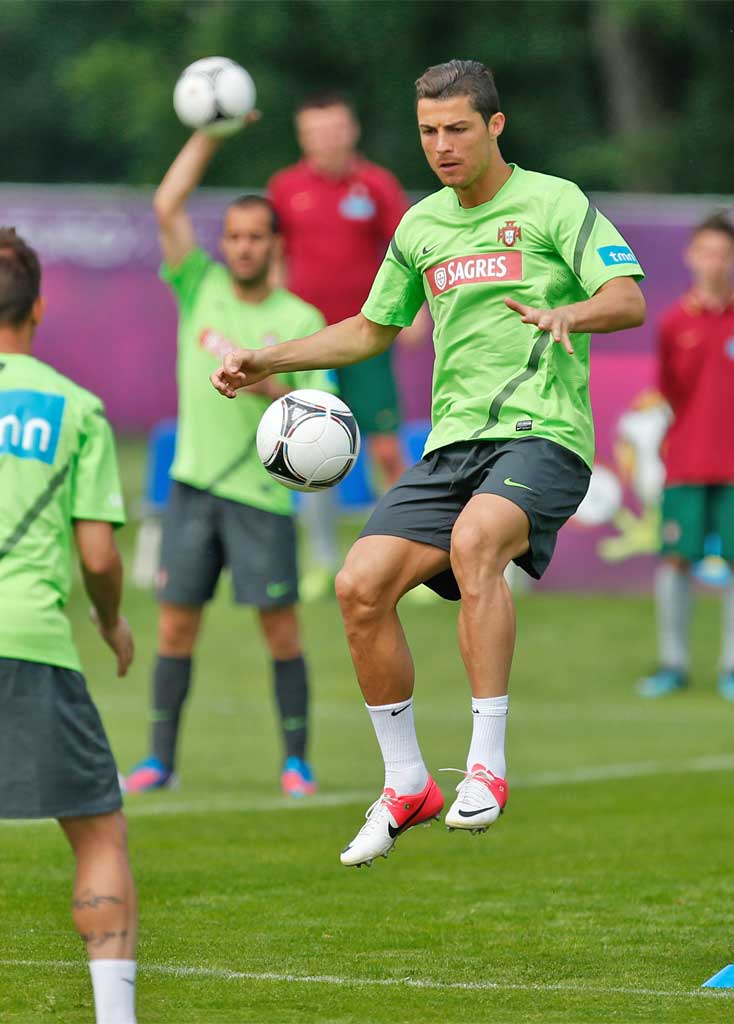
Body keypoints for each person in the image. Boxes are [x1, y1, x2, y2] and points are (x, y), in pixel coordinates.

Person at [211, 60, 646, 866]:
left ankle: (487, 763)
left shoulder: (554, 201)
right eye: (427, 131)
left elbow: (627, 298)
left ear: (495, 126)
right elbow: (372, 330)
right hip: (451, 448)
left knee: (480, 541)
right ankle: (407, 781)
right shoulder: (420, 227)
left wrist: (567, 313)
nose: (441, 147)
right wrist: (268, 361)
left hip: (542, 435)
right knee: (358, 585)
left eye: (456, 129)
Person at [122, 125, 333, 798]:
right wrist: (209, 133)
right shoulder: (198, 286)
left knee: (280, 630)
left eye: (256, 237)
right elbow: (166, 204)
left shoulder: (301, 317)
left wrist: (262, 376)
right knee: (176, 625)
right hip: (191, 488)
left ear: (275, 245)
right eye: (235, 235)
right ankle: (160, 760)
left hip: (261, 498)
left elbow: (320, 411)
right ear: (226, 245)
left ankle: (296, 762)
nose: (243, 246)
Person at [0, 228, 138, 1023]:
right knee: (97, 835)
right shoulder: (75, 409)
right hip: (31, 645)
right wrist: (112, 620)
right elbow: (97, 554)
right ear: (40, 307)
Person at [267, 93, 417, 599]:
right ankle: (322, 563)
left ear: (351, 130)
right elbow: (274, 261)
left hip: (367, 337)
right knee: (310, 445)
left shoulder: (375, 184)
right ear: (302, 136)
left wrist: (417, 311)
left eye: (333, 130)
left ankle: (409, 559)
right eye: (314, 132)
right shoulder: (285, 189)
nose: (325, 140)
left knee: (386, 448)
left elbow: (410, 251)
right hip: (309, 343)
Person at [638, 213, 734, 702]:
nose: (713, 263)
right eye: (705, 252)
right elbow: (669, 388)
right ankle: (674, 664)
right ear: (690, 256)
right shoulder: (674, 322)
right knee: (675, 559)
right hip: (687, 462)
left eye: (722, 254)